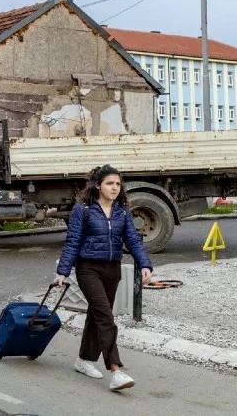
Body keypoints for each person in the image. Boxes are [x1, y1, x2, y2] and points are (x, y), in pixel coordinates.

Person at [54, 164, 153, 392]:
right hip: (88, 268)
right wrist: (63, 272)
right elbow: (73, 242)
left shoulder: (122, 210)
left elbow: (133, 240)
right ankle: (116, 370)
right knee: (105, 316)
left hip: (112, 269)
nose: (115, 188)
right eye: (109, 183)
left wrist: (145, 264)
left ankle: (84, 360)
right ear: (98, 185)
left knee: (96, 315)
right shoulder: (84, 210)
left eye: (118, 184)